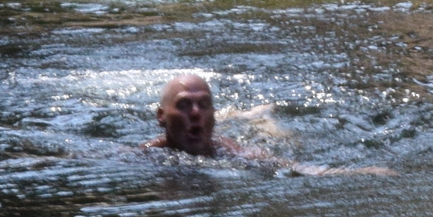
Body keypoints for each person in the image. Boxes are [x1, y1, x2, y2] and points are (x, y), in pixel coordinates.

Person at [146, 73, 388, 174]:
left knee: (275, 136)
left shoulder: (227, 149)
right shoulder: (146, 154)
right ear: (161, 116)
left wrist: (358, 172)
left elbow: (296, 167)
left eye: (204, 104)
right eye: (185, 105)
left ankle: (259, 116)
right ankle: (246, 115)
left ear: (214, 115)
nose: (196, 113)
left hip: (247, 136)